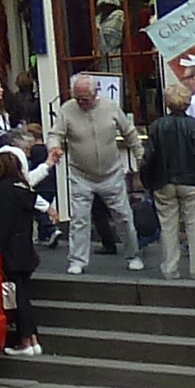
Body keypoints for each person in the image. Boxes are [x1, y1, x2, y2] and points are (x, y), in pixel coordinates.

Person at [47, 73, 141, 276]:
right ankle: (77, 260)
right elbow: (56, 133)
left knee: (123, 217)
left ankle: (133, 255)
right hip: (81, 174)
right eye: (77, 98)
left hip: (111, 173)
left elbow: (129, 132)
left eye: (85, 98)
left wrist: (140, 154)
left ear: (96, 93)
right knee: (80, 219)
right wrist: (54, 147)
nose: (81, 103)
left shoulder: (110, 107)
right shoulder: (67, 110)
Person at [139, 72, 195, 281]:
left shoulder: (157, 126)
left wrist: (147, 180)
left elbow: (149, 156)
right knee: (194, 223)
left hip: (164, 180)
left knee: (168, 225)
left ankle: (170, 268)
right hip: (193, 180)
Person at [0, 122, 48, 357]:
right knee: (23, 295)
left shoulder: (1, 192)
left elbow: (3, 225)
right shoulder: (23, 189)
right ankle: (32, 339)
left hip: (11, 250)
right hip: (26, 250)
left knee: (19, 298)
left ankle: (25, 340)